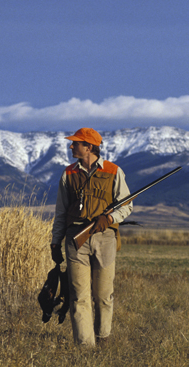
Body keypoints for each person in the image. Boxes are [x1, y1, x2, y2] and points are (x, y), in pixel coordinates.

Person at [50, 127, 132, 347]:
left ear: (88, 146)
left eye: (75, 143)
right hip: (75, 239)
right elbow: (61, 211)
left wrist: (109, 219)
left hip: (105, 238)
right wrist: (55, 241)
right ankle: (85, 347)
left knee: (103, 295)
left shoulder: (114, 171)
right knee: (79, 296)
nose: (71, 146)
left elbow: (126, 206)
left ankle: (103, 339)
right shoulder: (68, 173)